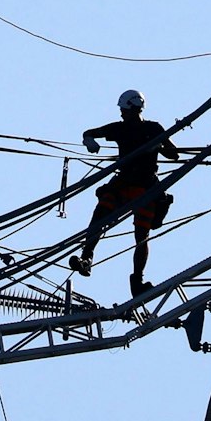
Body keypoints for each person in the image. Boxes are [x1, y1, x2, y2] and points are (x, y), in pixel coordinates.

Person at [70, 89, 180, 296]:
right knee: (100, 214)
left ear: (132, 108)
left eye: (123, 110)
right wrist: (89, 141)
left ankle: (137, 281)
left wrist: (159, 144)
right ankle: (87, 258)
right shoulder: (119, 129)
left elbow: (173, 154)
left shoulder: (152, 129)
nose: (121, 113)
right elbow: (91, 132)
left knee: (141, 236)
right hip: (125, 183)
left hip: (144, 186)